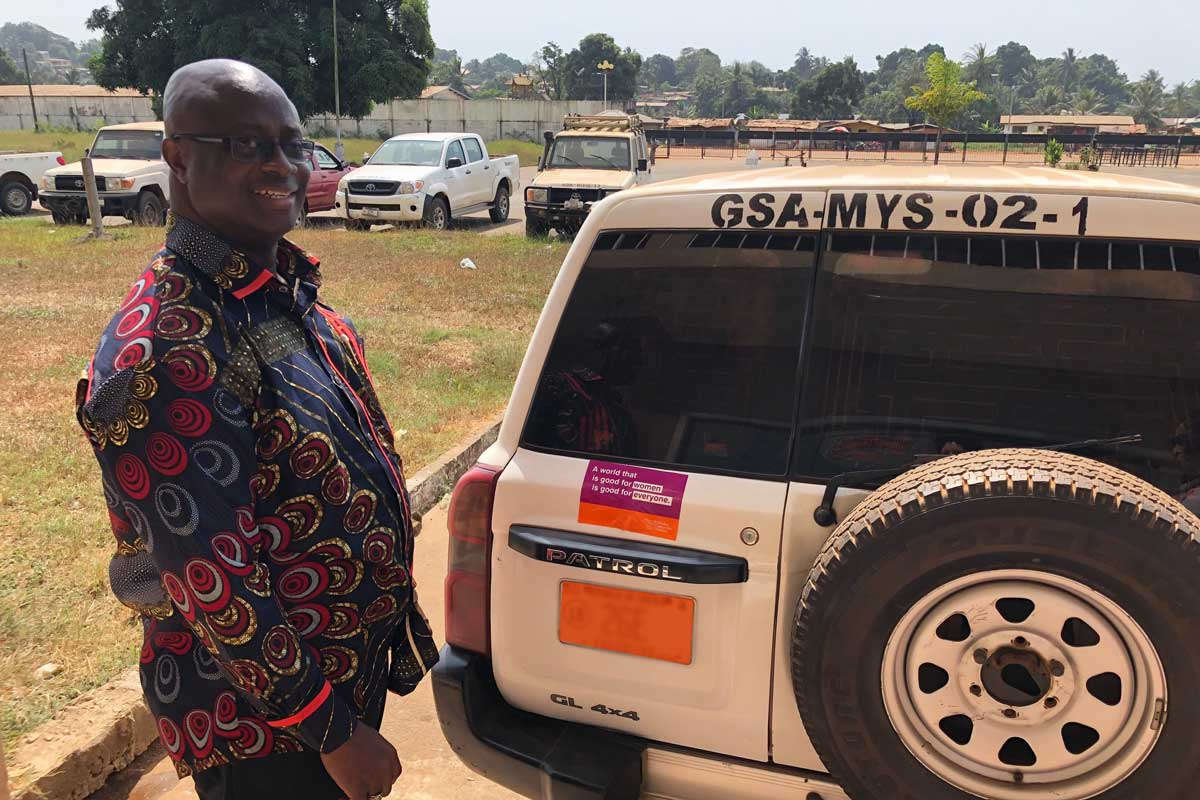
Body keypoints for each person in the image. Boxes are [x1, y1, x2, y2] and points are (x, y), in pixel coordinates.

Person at [73, 59, 437, 800]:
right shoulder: (167, 346)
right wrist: (332, 732)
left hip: (335, 680)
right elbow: (211, 580)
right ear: (178, 156)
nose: (281, 164)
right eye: (247, 145)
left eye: (292, 144)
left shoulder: (274, 293)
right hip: (267, 728)